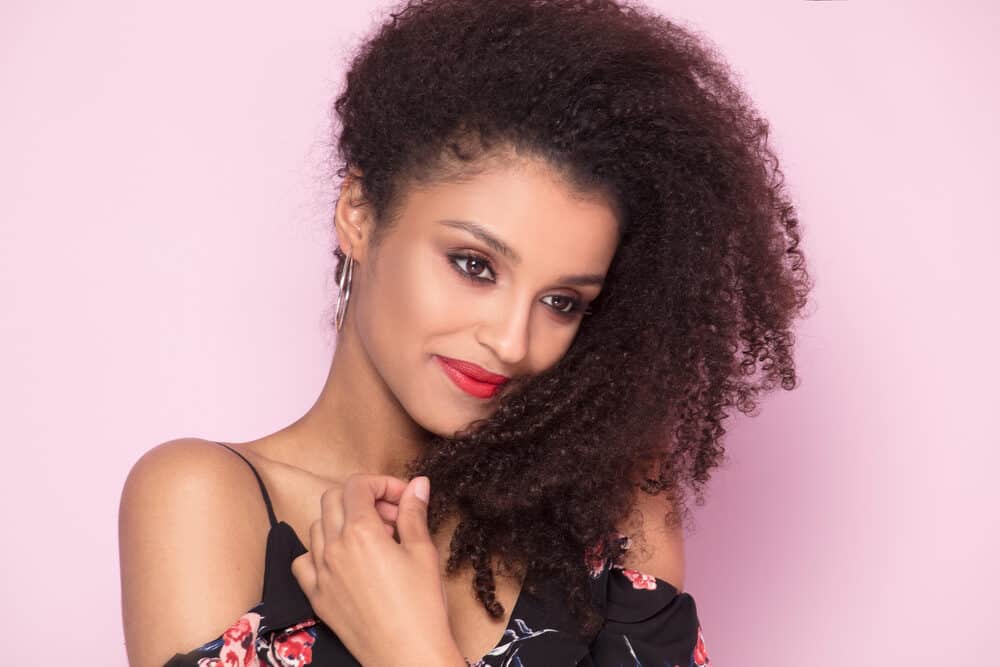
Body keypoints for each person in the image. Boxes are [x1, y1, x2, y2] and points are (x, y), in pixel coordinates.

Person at [119, 0, 812, 665]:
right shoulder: (204, 497)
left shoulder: (613, 506)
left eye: (563, 302)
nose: (514, 341)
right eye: (475, 264)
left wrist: (408, 647)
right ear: (359, 213)